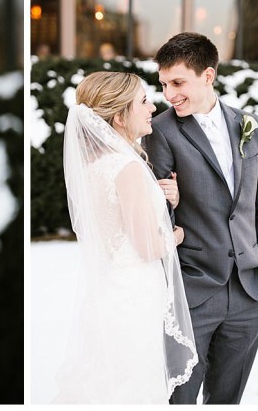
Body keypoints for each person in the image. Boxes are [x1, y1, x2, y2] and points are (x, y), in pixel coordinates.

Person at [142, 32, 258, 404]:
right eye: (164, 84)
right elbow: (157, 218)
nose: (169, 94)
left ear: (208, 76)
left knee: (227, 400)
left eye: (178, 82)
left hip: (250, 291)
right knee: (179, 399)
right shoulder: (161, 132)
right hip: (193, 293)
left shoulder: (254, 126)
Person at [56, 71, 197, 404]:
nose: (152, 108)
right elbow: (149, 246)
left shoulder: (93, 168)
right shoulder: (127, 168)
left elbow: (114, 228)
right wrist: (178, 233)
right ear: (119, 116)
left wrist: (166, 202)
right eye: (143, 102)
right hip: (132, 300)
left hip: (106, 296)